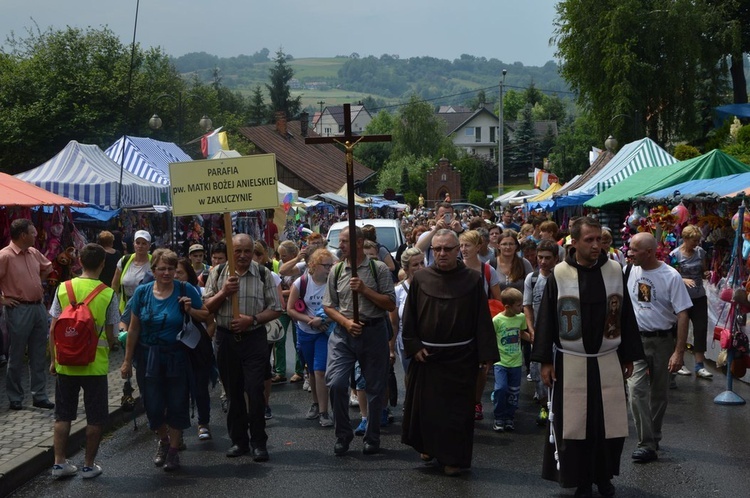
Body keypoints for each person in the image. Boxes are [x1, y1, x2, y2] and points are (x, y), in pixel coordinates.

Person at [531, 216, 643, 497]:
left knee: (608, 426)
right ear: (574, 242)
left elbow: (626, 314)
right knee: (575, 426)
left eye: (598, 239)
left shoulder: (615, 270)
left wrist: (628, 355)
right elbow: (546, 319)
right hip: (571, 362)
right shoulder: (559, 274)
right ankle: (580, 479)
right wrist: (545, 360)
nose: (596, 245)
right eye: (589, 240)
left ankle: (604, 477)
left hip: (607, 358)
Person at [401, 229, 498, 476]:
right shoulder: (421, 278)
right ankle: (430, 448)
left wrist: (485, 355)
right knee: (429, 410)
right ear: (432, 251)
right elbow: (409, 318)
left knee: (457, 413)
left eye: (448, 249)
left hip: (461, 357)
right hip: (428, 358)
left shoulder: (473, 279)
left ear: (458, 251)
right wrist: (414, 346)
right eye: (437, 249)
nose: (442, 253)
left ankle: (453, 458)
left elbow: (482, 319)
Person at [120, 249, 206, 472]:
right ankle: (164, 441)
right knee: (153, 405)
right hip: (148, 356)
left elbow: (206, 315)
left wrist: (190, 309)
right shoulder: (142, 292)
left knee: (177, 402)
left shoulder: (185, 289)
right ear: (153, 270)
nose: (167, 273)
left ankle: (174, 451)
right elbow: (134, 328)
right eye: (162, 268)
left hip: (177, 354)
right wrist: (127, 361)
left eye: (171, 268)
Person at [203, 234, 282, 462]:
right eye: (238, 251)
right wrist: (224, 292)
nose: (243, 255)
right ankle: (239, 441)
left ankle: (259, 442)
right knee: (233, 392)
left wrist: (253, 320)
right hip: (226, 339)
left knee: (255, 390)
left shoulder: (263, 273)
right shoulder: (218, 273)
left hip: (254, 338)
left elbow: (276, 308)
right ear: (230, 252)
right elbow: (206, 307)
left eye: (247, 250)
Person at [323, 226, 396, 456]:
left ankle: (372, 437)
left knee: (375, 387)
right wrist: (345, 323)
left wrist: (365, 290)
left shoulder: (379, 269)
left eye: (345, 241)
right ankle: (342, 435)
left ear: (358, 242)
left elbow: (390, 303)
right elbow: (328, 306)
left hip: (373, 332)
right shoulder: (336, 271)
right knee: (336, 383)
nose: (340, 245)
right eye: (340, 241)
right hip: (344, 334)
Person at [48, 243, 119, 479]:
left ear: (79, 261)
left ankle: (59, 464)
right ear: (102, 264)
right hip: (95, 366)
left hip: (65, 363)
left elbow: (53, 329)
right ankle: (89, 465)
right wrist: (116, 343)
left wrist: (53, 360)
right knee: (96, 417)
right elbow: (110, 335)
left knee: (63, 414)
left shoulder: (62, 288)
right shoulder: (108, 294)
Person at [626, 232, 692, 464]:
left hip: (663, 340)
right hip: (635, 341)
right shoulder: (629, 270)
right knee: (635, 391)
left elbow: (683, 313)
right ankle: (646, 443)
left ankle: (653, 437)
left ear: (650, 252)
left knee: (659, 394)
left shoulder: (670, 276)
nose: (629, 253)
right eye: (629, 248)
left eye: (634, 250)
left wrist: (679, 351)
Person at [0, 218, 54, 410]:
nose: (35, 235)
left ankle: (39, 395)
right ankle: (15, 397)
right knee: (16, 355)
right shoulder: (5, 256)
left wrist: (38, 282)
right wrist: (3, 299)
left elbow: (48, 267)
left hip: (37, 307)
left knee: (38, 353)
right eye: (32, 233)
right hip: (18, 309)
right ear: (23, 235)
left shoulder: (33, 252)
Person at [286, 248, 335, 427]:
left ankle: (324, 412)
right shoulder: (302, 282)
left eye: (331, 265)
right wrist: (310, 320)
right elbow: (290, 309)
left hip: (325, 332)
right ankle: (315, 403)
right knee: (312, 371)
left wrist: (325, 320)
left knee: (320, 370)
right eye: (326, 265)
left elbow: (342, 307)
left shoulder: (333, 282)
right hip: (305, 332)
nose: (330, 268)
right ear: (314, 265)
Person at [175, 257, 216, 441]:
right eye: (171, 271)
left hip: (197, 348)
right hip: (175, 349)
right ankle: (178, 430)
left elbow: (208, 318)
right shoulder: (160, 291)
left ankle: (203, 423)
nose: (174, 275)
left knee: (200, 387)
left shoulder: (191, 290)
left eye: (179, 272)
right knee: (178, 390)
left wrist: (204, 340)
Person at [522, 239, 559, 426]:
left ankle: (558, 407)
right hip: (538, 334)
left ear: (556, 258)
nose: (543, 261)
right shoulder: (532, 278)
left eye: (547, 258)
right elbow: (527, 305)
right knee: (538, 373)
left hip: (557, 335)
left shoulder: (561, 277)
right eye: (540, 257)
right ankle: (544, 406)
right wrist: (531, 328)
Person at [670, 224, 712, 379]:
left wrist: (706, 274)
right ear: (685, 239)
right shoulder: (675, 255)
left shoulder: (700, 252)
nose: (696, 244)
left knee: (700, 329)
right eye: (694, 241)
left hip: (699, 296)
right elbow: (670, 275)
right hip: (681, 298)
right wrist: (682, 279)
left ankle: (699, 365)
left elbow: (702, 270)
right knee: (680, 330)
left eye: (698, 241)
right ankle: (679, 362)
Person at [491, 287, 529, 433]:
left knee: (513, 392)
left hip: (516, 362)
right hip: (501, 362)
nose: (522, 307)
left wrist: (534, 340)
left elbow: (521, 333)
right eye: (519, 305)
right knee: (501, 388)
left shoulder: (520, 318)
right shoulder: (497, 320)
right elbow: (491, 338)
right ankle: (499, 416)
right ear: (508, 306)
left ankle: (509, 417)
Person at [389, 247, 425, 375]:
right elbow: (394, 323)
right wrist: (391, 349)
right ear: (406, 269)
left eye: (422, 263)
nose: (420, 267)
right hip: (406, 345)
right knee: (410, 377)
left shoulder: (433, 287)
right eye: (415, 265)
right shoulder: (398, 291)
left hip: (429, 342)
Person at [111, 230, 152, 313]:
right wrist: (114, 306)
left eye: (144, 243)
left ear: (149, 246)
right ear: (133, 244)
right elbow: (115, 285)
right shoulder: (124, 260)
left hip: (148, 307)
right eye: (138, 243)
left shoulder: (154, 262)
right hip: (126, 308)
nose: (140, 246)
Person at [415, 202, 465, 266]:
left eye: (448, 216)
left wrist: (460, 231)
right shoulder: (428, 234)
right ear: (436, 217)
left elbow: (473, 249)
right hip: (433, 272)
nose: (445, 218)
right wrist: (435, 230)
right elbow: (416, 250)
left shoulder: (459, 232)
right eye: (442, 216)